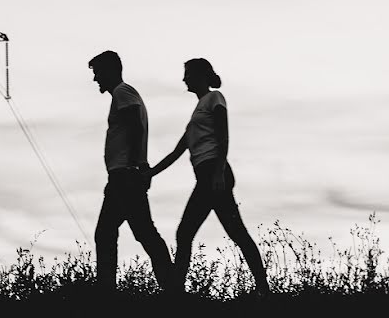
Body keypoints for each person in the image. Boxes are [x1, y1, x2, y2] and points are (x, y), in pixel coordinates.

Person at [145, 58, 269, 297]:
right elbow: (176, 153)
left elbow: (224, 136)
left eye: (188, 74)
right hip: (206, 175)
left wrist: (219, 172)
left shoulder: (215, 98)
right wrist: (150, 173)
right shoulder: (196, 115)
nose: (184, 79)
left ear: (202, 75)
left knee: (188, 233)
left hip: (214, 172)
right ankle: (263, 289)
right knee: (234, 232)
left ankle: (175, 294)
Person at [88, 50, 176, 293]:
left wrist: (138, 166)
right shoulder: (122, 94)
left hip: (126, 176)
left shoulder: (122, 92)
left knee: (138, 234)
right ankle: (169, 288)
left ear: (109, 71)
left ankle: (171, 290)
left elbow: (135, 126)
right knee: (112, 233)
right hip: (123, 176)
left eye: (97, 73)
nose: (96, 79)